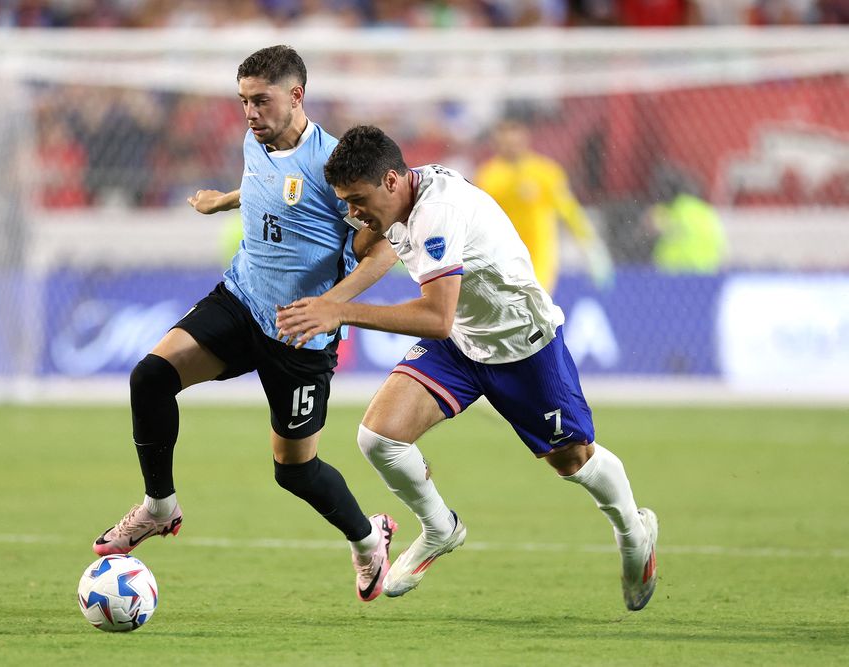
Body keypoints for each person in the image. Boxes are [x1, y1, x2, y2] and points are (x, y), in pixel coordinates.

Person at [276, 125, 659, 611]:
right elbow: (401, 275)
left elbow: (434, 318)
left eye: (358, 200)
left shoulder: (436, 213)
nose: (354, 214)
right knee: (380, 437)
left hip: (520, 342)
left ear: (392, 180)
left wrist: (339, 310)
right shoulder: (400, 197)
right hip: (463, 340)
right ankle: (440, 527)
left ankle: (633, 532)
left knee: (572, 461)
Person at [92, 47, 400, 603]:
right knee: (150, 377)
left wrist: (332, 304)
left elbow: (383, 251)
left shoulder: (334, 166)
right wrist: (226, 201)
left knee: (295, 473)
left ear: (297, 96)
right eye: (243, 101)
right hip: (242, 298)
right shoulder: (253, 140)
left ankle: (367, 539)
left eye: (261, 100)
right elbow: (269, 188)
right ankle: (159, 507)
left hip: (299, 333)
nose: (250, 112)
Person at [475, 118, 612, 294]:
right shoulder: (488, 176)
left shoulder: (545, 172)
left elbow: (570, 213)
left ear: (525, 140)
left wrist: (592, 248)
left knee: (534, 302)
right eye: (506, 142)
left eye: (515, 141)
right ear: (497, 143)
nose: (511, 147)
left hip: (540, 255)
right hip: (502, 256)